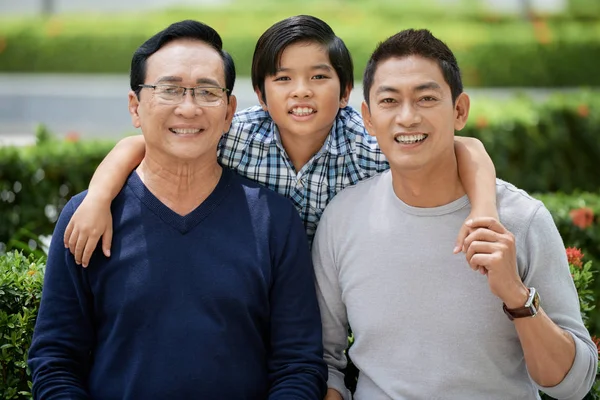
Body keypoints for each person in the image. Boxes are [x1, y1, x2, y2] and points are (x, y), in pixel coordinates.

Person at [28, 20, 327, 399]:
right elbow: (55, 360)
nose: (188, 108)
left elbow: (297, 364)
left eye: (206, 92)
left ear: (229, 111)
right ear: (135, 107)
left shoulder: (273, 220)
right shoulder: (88, 217)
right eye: (169, 90)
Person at [61, 15, 498, 267]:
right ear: (261, 94)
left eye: (319, 77)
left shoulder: (368, 144)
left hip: (340, 294)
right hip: (259, 285)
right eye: (283, 78)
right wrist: (98, 198)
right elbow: (139, 144)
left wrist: (484, 215)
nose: (301, 91)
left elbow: (467, 148)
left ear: (346, 93)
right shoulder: (241, 134)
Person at [313, 29, 598, 400]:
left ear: (460, 110)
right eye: (389, 101)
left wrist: (515, 294)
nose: (407, 117)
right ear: (368, 117)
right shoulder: (342, 218)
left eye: (426, 98)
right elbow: (324, 361)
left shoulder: (521, 218)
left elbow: (573, 385)